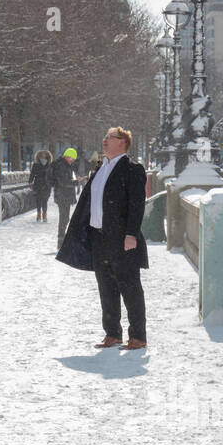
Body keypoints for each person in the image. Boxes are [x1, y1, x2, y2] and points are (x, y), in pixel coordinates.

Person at [56, 127, 148, 350]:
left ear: (123, 143)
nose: (105, 140)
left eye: (110, 138)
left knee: (130, 286)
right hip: (98, 237)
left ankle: (138, 336)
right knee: (106, 286)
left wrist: (131, 235)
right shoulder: (100, 168)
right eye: (105, 137)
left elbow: (137, 204)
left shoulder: (132, 169)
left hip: (121, 238)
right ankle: (112, 334)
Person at [50, 148, 78, 247]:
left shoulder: (65, 165)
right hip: (62, 195)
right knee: (64, 218)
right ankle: (61, 241)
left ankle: (62, 239)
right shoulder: (61, 165)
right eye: (72, 159)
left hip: (64, 195)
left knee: (65, 218)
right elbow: (63, 182)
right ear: (68, 156)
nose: (73, 161)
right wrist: (75, 182)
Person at [28, 149, 52, 222]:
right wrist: (30, 182)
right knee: (38, 200)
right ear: (39, 156)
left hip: (47, 184)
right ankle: (38, 214)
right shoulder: (35, 164)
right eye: (42, 154)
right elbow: (32, 173)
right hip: (38, 184)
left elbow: (52, 175)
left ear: (47, 156)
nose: (43, 155)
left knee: (45, 200)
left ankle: (44, 214)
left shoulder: (50, 165)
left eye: (45, 154)